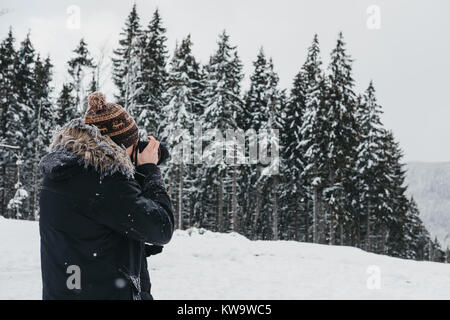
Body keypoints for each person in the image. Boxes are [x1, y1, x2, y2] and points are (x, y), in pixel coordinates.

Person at [38, 92, 174, 300]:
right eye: (133, 145)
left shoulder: (67, 170)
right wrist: (149, 170)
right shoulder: (107, 183)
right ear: (117, 148)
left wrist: (131, 247)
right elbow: (162, 227)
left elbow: (90, 234)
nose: (135, 152)